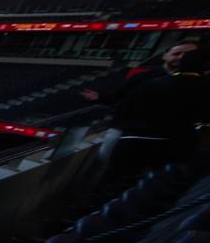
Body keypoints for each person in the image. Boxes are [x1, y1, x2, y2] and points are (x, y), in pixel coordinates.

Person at [82, 39, 206, 180]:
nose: (181, 57)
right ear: (165, 56)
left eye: (187, 54)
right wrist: (99, 97)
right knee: (107, 166)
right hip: (127, 132)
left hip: (167, 140)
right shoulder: (144, 77)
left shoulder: (198, 83)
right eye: (177, 53)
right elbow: (118, 96)